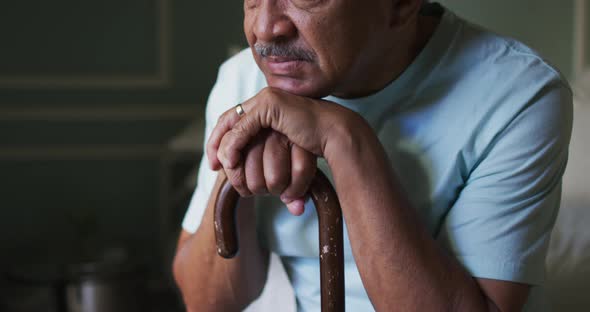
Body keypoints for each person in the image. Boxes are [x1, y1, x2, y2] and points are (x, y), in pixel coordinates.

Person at [173, 0, 573, 311]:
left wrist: (345, 140)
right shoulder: (242, 78)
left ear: (401, 4)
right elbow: (204, 302)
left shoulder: (519, 96)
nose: (264, 27)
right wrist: (237, 165)